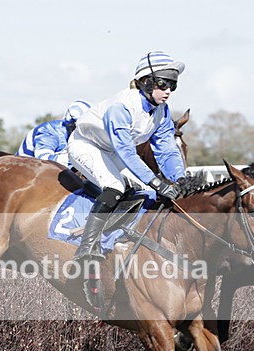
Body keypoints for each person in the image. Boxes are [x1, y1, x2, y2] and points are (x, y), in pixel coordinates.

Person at [67, 51, 185, 262]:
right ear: (146, 82)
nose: (168, 91)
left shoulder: (162, 111)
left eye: (172, 86)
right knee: (115, 186)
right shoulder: (121, 107)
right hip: (86, 145)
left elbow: (167, 149)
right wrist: (157, 181)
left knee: (147, 192)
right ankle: (87, 245)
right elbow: (127, 152)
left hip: (111, 150)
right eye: (163, 84)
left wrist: (180, 179)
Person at [16, 99, 91, 167]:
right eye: (80, 127)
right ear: (71, 122)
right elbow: (45, 161)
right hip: (25, 171)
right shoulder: (48, 130)